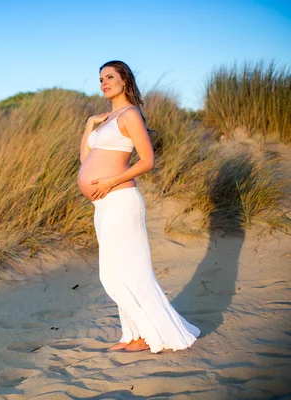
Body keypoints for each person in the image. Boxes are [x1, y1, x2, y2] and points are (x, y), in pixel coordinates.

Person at [77, 60, 200, 353]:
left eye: (109, 77)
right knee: (115, 270)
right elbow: (85, 161)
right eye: (100, 79)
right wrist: (88, 127)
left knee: (127, 271)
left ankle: (149, 334)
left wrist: (110, 182)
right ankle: (132, 335)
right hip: (104, 205)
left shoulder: (130, 114)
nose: (104, 82)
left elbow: (147, 161)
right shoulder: (107, 119)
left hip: (121, 200)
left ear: (124, 80)